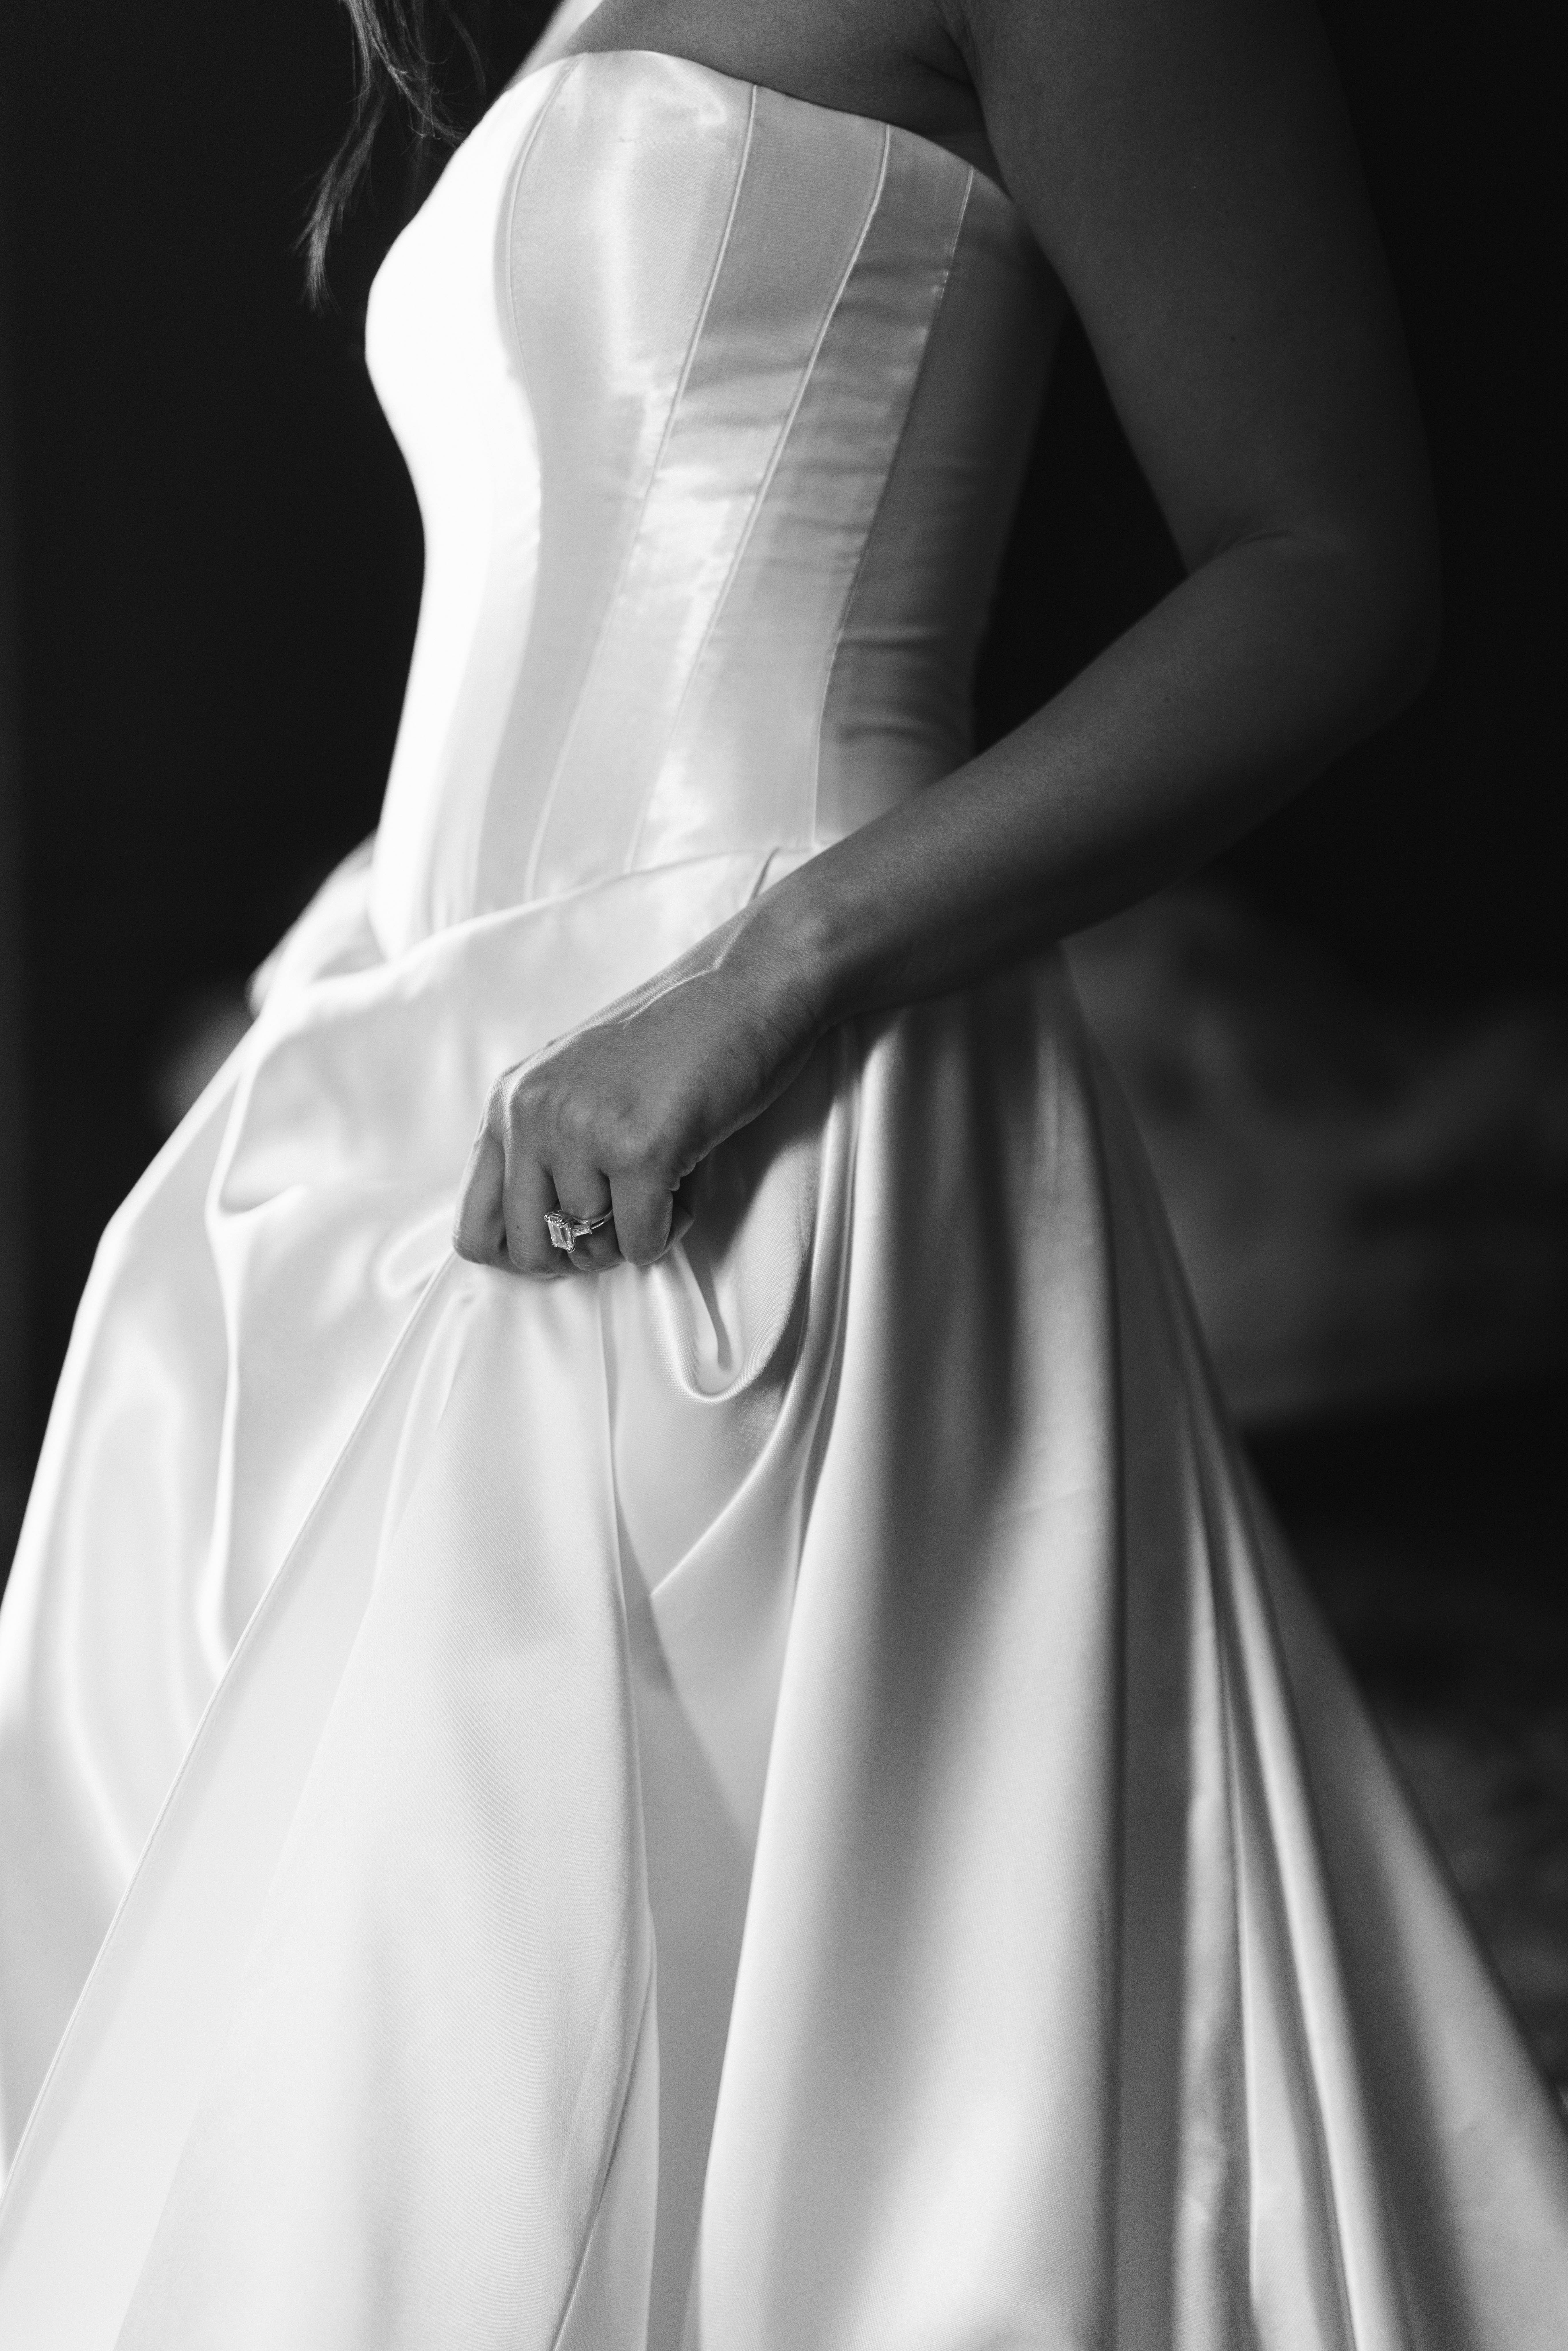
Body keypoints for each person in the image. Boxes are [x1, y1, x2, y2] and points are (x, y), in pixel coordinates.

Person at [1, 0, 1565, 2340]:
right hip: (443, 1102)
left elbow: (1329, 569)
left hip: (760, 1096)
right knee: (361, 2036)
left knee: (755, 2050)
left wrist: (772, 974)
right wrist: (357, 973)